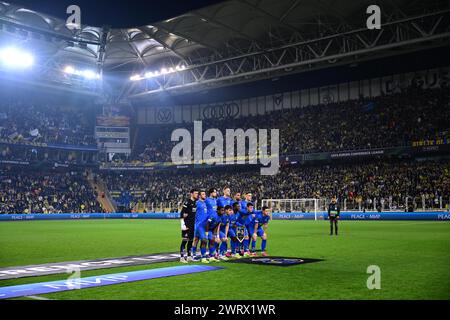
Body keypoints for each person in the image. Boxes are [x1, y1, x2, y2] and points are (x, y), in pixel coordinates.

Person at [179, 188, 198, 263]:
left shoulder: (196, 203)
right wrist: (182, 225)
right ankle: (182, 257)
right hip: (186, 225)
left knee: (190, 241)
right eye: (196, 193)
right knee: (184, 240)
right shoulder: (187, 202)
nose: (197, 195)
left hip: (193, 225)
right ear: (191, 194)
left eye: (197, 193)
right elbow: (181, 214)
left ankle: (189, 256)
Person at [192, 190, 209, 263]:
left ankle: (201, 255)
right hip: (198, 225)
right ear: (199, 196)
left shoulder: (205, 203)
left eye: (205, 194)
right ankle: (195, 255)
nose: (205, 195)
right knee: (198, 239)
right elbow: (192, 212)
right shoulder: (197, 203)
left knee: (198, 239)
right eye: (203, 194)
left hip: (204, 225)